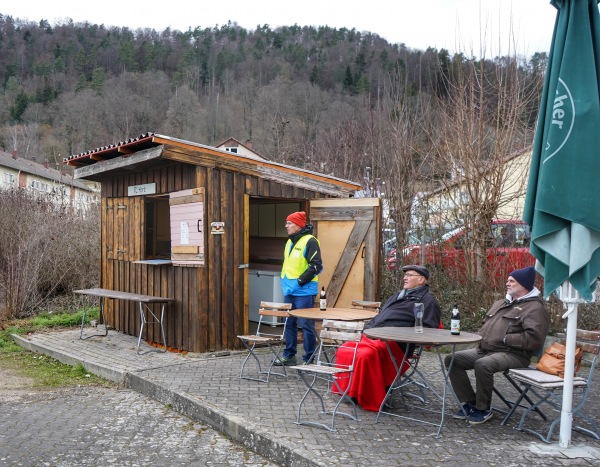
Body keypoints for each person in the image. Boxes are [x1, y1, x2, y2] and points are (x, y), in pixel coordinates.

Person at [445, 266, 549, 425]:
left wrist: (506, 339)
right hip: (485, 350)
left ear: (524, 284)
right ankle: (469, 403)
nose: (507, 283)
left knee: (483, 365)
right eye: (508, 280)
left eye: (512, 281)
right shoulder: (501, 303)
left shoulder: (534, 308)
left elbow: (534, 339)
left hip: (515, 354)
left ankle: (482, 408)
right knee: (452, 359)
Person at [334, 265, 441, 411]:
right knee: (345, 348)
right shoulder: (398, 295)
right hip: (374, 335)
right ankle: (352, 392)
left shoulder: (428, 301)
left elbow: (429, 329)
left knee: (366, 355)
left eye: (409, 275)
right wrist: (367, 328)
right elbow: (380, 316)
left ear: (421, 279)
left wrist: (400, 334)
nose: (405, 277)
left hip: (396, 343)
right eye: (405, 275)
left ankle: (369, 395)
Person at [274, 211, 323, 366]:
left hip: (304, 291)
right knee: (289, 323)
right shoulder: (289, 242)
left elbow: (316, 266)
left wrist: (300, 282)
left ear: (298, 225)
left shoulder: (310, 241)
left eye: (289, 223)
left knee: (307, 325)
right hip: (289, 290)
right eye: (287, 223)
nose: (286, 226)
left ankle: (308, 359)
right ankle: (289, 355)